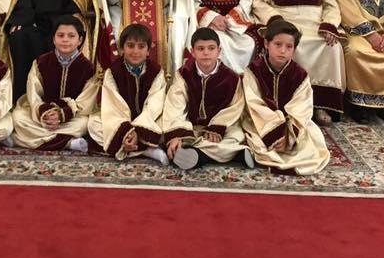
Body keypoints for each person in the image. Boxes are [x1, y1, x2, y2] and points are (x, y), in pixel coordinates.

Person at [252, 0, 345, 123]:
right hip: (285, 23)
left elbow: (331, 4)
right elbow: (259, 2)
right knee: (293, 44)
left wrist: (329, 24)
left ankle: (320, 105)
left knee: (331, 46)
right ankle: (290, 103)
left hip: (315, 24)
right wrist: (276, 22)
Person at [241, 20, 331, 175]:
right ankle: (248, 154)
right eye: (278, 44)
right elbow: (255, 104)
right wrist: (275, 134)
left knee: (310, 147)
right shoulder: (253, 71)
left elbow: (302, 107)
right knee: (249, 139)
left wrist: (288, 136)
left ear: (294, 49)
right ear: (266, 44)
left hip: (291, 123)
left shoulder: (300, 75)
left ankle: (263, 157)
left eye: (289, 46)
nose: (283, 50)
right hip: (260, 122)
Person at [163, 28, 251, 170]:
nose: (206, 53)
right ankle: (235, 153)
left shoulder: (231, 78)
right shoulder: (184, 74)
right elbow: (175, 105)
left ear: (219, 51)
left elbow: (235, 107)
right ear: (193, 52)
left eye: (211, 48)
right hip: (192, 127)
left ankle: (199, 156)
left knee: (236, 135)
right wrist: (178, 134)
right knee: (174, 139)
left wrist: (217, 126)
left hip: (220, 131)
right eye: (200, 48)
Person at [12, 15, 98, 152]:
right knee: (18, 117)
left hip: (71, 117)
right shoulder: (41, 62)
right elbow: (33, 95)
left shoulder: (88, 68)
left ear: (80, 40)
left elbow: (85, 103)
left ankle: (22, 139)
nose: (65, 40)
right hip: (42, 116)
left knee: (85, 123)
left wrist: (62, 114)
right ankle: (68, 143)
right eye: (61, 35)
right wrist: (45, 113)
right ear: (53, 39)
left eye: (71, 36)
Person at [87, 23, 169, 165]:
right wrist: (127, 132)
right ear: (122, 49)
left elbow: (154, 105)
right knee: (93, 124)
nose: (135, 51)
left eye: (141, 47)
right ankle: (146, 151)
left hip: (147, 121)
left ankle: (127, 148)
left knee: (167, 124)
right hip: (120, 120)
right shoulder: (112, 72)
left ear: (148, 50)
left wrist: (137, 131)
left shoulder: (156, 72)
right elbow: (113, 107)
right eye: (130, 46)